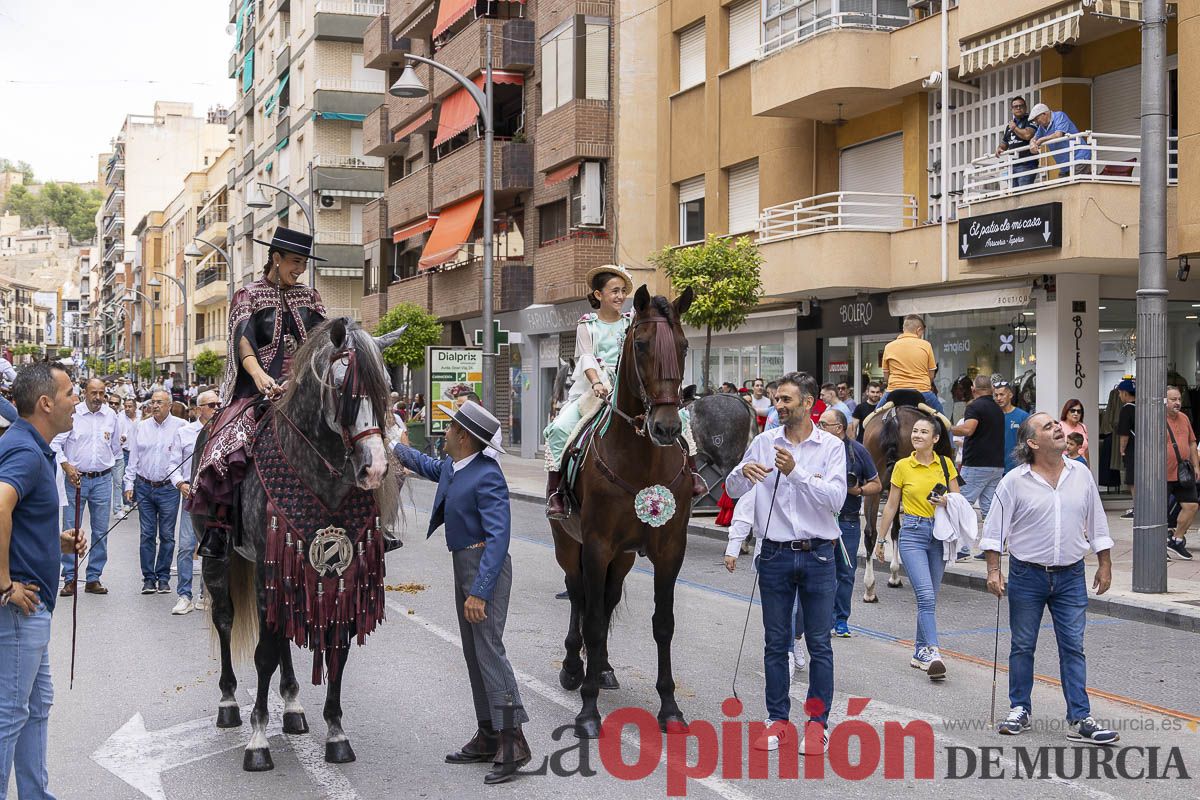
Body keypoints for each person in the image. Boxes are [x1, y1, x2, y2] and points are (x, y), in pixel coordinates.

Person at [391, 401, 531, 783]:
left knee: (489, 650)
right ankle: (488, 733)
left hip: (485, 566)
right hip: (464, 565)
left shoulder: (488, 475)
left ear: (465, 437)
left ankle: (512, 739)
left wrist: (480, 592)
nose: (445, 432)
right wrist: (391, 443)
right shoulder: (456, 466)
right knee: (473, 653)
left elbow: (499, 537)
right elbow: (428, 466)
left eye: (451, 427)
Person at [724, 372, 846, 754]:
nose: (778, 405)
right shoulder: (762, 443)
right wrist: (741, 474)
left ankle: (817, 723)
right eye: (776, 399)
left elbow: (836, 500)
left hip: (820, 553)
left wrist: (797, 473)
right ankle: (777, 721)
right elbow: (733, 489)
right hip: (775, 554)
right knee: (776, 643)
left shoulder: (830, 447)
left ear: (808, 403)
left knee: (819, 643)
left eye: (787, 400)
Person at [188, 228, 327, 559]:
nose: (300, 270)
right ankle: (218, 527)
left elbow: (323, 341)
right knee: (223, 445)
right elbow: (242, 341)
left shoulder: (310, 297)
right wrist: (261, 376)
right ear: (276, 258)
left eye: (304, 263)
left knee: (360, 437)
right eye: (295, 262)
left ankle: (371, 525)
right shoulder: (247, 294)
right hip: (256, 391)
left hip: (304, 389)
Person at [982, 412, 1118, 745]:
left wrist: (1105, 562)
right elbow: (993, 531)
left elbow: (1097, 522)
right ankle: (1019, 709)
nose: (1058, 428)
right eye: (1048, 427)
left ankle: (1080, 717)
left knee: (1073, 647)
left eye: (1056, 424)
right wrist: (994, 570)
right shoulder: (1014, 481)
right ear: (1032, 442)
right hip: (1027, 575)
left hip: (1071, 574)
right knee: (1022, 645)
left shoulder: (1081, 474)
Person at [543, 265, 705, 519]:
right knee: (560, 427)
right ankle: (556, 492)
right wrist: (596, 382)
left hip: (630, 385)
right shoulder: (588, 325)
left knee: (681, 419)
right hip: (594, 388)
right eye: (614, 291)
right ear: (598, 295)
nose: (619, 296)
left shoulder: (634, 321)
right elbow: (586, 357)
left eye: (622, 291)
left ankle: (693, 473)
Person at [0, 362, 85, 798]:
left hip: (33, 610)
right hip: (20, 610)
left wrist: (57, 543)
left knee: (35, 707)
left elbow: (20, 518)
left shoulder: (29, 445)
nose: (78, 401)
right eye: (71, 393)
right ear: (46, 402)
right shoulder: (26, 450)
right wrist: (3, 584)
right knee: (10, 714)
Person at [877, 417, 960, 680]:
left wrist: (945, 499)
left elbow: (958, 501)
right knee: (925, 595)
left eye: (924, 432)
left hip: (939, 534)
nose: (917, 435)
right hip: (912, 533)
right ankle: (933, 651)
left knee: (930, 597)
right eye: (914, 431)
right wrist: (880, 540)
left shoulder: (945, 465)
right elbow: (891, 505)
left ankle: (918, 651)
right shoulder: (902, 465)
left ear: (935, 438)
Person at [50, 377, 121, 597]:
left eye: (102, 393)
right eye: (94, 393)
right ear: (85, 393)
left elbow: (116, 448)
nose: (98, 397)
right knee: (72, 529)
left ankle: (93, 578)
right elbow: (55, 443)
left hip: (102, 480)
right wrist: (67, 466)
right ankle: (70, 578)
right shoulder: (73, 414)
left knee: (101, 530)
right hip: (76, 481)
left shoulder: (111, 416)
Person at [818, 408, 881, 638]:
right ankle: (821, 619)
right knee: (820, 572)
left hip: (848, 522)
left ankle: (841, 619)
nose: (819, 428)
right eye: (819, 424)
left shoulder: (857, 451)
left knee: (845, 572)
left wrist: (859, 490)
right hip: (820, 519)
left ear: (840, 428)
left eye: (824, 425)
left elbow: (877, 484)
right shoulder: (815, 449)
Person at [125, 391, 187, 595]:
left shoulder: (180, 427)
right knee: (147, 534)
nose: (155, 406)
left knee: (167, 535)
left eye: (160, 402)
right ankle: (148, 578)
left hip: (169, 488)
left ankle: (163, 577)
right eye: (153, 402)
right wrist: (129, 485)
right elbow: (133, 457)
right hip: (144, 486)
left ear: (170, 405)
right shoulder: (141, 427)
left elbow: (185, 457)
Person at [169, 390, 219, 615]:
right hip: (192, 494)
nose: (217, 408)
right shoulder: (185, 432)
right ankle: (183, 595)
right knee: (187, 545)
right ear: (199, 409)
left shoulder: (225, 430)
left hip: (216, 496)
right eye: (212, 405)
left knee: (209, 546)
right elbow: (173, 464)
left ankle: (205, 594)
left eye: (219, 404)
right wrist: (181, 484)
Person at [950, 375, 1006, 560]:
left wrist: (947, 427)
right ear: (990, 389)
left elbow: (968, 429)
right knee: (989, 508)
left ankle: (963, 549)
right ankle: (992, 548)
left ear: (974, 389)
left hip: (976, 464)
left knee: (963, 504)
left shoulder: (974, 406)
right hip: (996, 465)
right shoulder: (998, 409)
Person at [876, 315, 943, 413]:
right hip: (922, 392)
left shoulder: (889, 347)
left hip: (894, 392)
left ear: (904, 329)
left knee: (871, 420)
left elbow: (886, 377)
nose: (921, 335)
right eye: (922, 333)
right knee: (944, 422)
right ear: (918, 330)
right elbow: (931, 376)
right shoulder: (926, 345)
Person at [1165, 386, 1197, 561]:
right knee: (1159, 512)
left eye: (1179, 399)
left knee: (1192, 506)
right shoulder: (1157, 419)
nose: (1177, 403)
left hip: (1183, 472)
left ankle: (1176, 540)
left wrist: (1196, 467)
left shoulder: (1184, 418)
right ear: (1164, 401)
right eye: (1173, 399)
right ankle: (1158, 545)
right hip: (1162, 474)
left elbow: (1192, 443)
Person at [1028, 102, 1092, 176]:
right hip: (1065, 165)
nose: (1036, 122)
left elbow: (1058, 134)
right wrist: (1032, 143)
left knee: (1075, 186)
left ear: (1044, 114)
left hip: (1079, 157)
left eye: (1037, 119)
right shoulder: (1042, 127)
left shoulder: (1059, 116)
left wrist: (1041, 140)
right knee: (1064, 186)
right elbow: (1034, 138)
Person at [995, 96, 1037, 187]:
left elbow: (1027, 135)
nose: (1018, 108)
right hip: (1012, 165)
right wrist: (999, 148)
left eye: (1020, 106)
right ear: (1012, 110)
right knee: (1014, 196)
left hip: (1027, 164)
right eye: (1015, 106)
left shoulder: (1030, 120)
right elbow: (1005, 143)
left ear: (1025, 107)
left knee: (1023, 195)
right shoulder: (1010, 125)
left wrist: (1015, 128)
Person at [994, 380, 1029, 474]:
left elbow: (1028, 441)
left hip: (1016, 466)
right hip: (995, 468)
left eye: (1002, 394)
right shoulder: (991, 416)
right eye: (996, 395)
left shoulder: (1023, 416)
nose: (998, 398)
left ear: (1010, 395)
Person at [1116, 379, 1136, 519]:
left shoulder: (1126, 409)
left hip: (1133, 448)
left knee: (1133, 480)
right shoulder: (1143, 406)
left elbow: (1124, 434)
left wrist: (1122, 450)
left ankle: (1137, 508)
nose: (1118, 396)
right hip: (1146, 448)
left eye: (1119, 393)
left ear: (1124, 393)